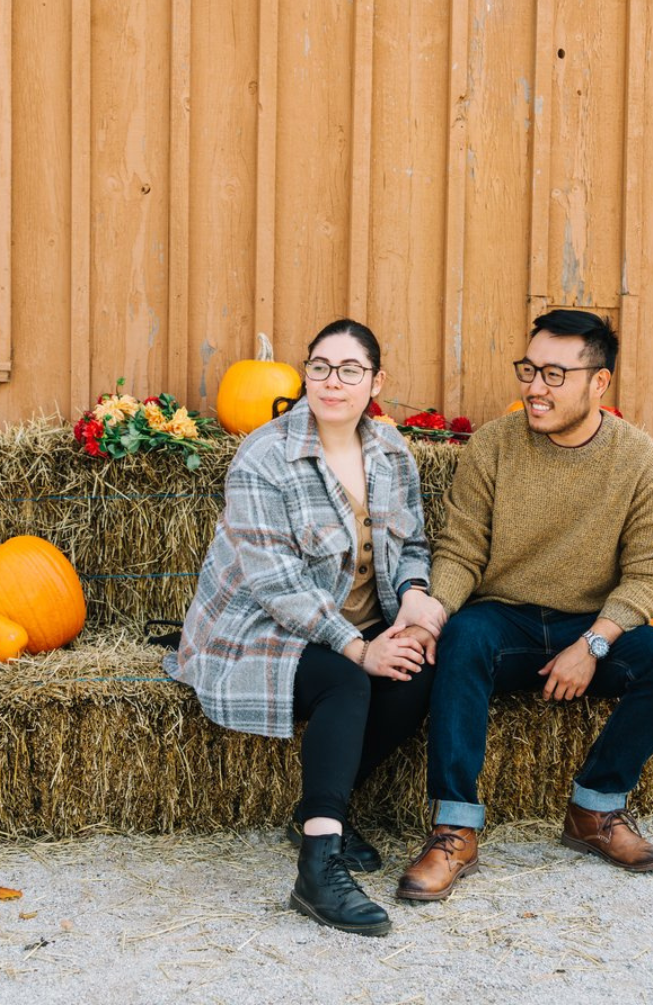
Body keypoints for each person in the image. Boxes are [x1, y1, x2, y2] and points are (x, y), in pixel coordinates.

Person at [396, 309, 653, 902]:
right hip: (504, 618)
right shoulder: (493, 446)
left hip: (589, 621)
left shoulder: (642, 462)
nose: (535, 387)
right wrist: (433, 611)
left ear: (599, 383)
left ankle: (595, 811)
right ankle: (454, 828)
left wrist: (593, 644)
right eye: (530, 369)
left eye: (555, 374)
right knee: (462, 639)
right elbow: (460, 550)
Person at [164, 318, 446, 936]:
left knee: (423, 666)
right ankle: (317, 870)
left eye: (350, 370)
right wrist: (356, 647)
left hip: (364, 622)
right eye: (319, 367)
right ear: (305, 374)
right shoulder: (264, 455)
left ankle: (321, 812)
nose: (332, 381)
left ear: (375, 381)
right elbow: (273, 581)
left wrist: (415, 599)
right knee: (349, 681)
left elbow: (416, 543)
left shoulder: (394, 454)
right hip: (260, 629)